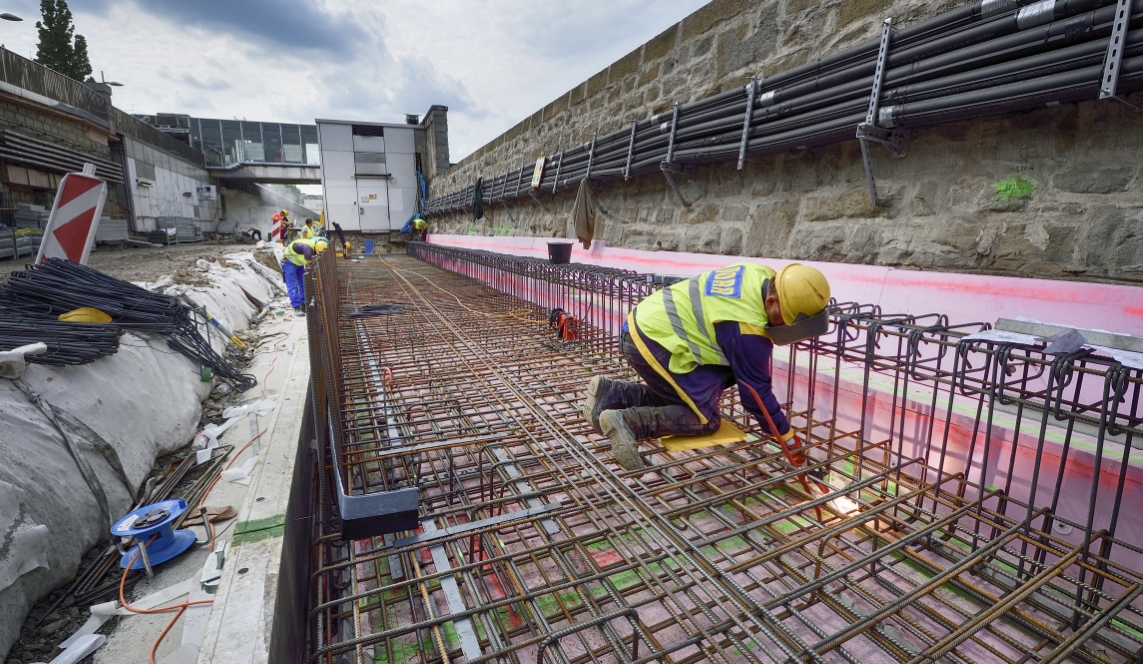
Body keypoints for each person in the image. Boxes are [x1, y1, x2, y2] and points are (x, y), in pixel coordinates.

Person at [582, 262, 831, 473]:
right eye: (783, 320)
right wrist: (787, 438)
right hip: (656, 340)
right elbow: (755, 394)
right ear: (772, 300)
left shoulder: (761, 274)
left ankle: (612, 394)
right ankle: (629, 422)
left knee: (681, 396)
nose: (785, 329)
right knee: (704, 419)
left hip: (646, 322)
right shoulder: (747, 327)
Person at [281, 236, 329, 314]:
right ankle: (296, 307)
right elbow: (311, 264)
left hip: (298, 263)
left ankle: (304, 303)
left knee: (303, 282)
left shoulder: (316, 245)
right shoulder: (308, 249)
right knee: (293, 285)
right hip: (289, 262)